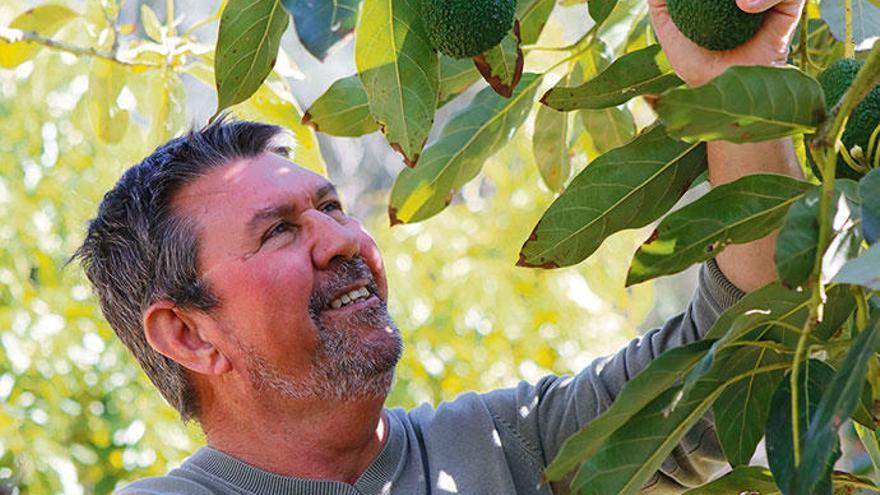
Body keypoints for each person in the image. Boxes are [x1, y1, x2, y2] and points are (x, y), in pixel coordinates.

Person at [73, 0, 806, 493]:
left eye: (331, 206)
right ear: (188, 333)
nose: (344, 238)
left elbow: (743, 353)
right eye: (279, 231)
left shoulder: (511, 448)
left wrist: (738, 84)